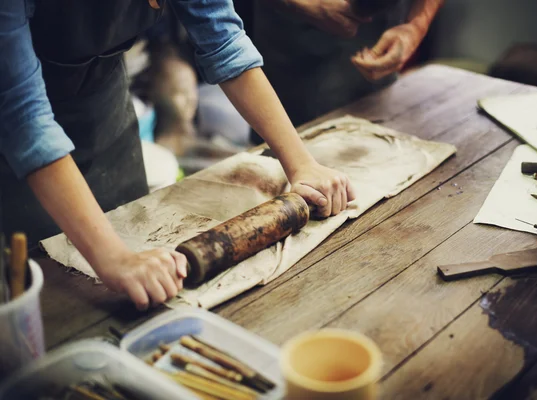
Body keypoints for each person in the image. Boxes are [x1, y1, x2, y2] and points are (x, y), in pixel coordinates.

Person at [0, 0, 355, 311]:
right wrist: (114, 258)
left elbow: (225, 42)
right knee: (46, 289)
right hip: (16, 151)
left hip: (103, 114)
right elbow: (25, 118)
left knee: (142, 254)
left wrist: (302, 163)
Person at [248, 0, 445, 143]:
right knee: (276, 160)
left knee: (372, 139)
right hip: (290, 36)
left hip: (379, 31)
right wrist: (299, 3)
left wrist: (416, 25)